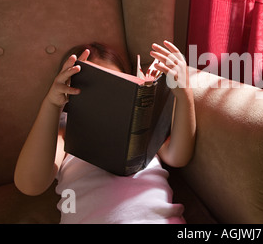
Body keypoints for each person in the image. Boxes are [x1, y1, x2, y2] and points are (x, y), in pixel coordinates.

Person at [14, 41, 196, 223]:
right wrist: (52, 105)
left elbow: (177, 156)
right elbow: (30, 184)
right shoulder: (66, 133)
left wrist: (184, 94)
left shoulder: (143, 128)